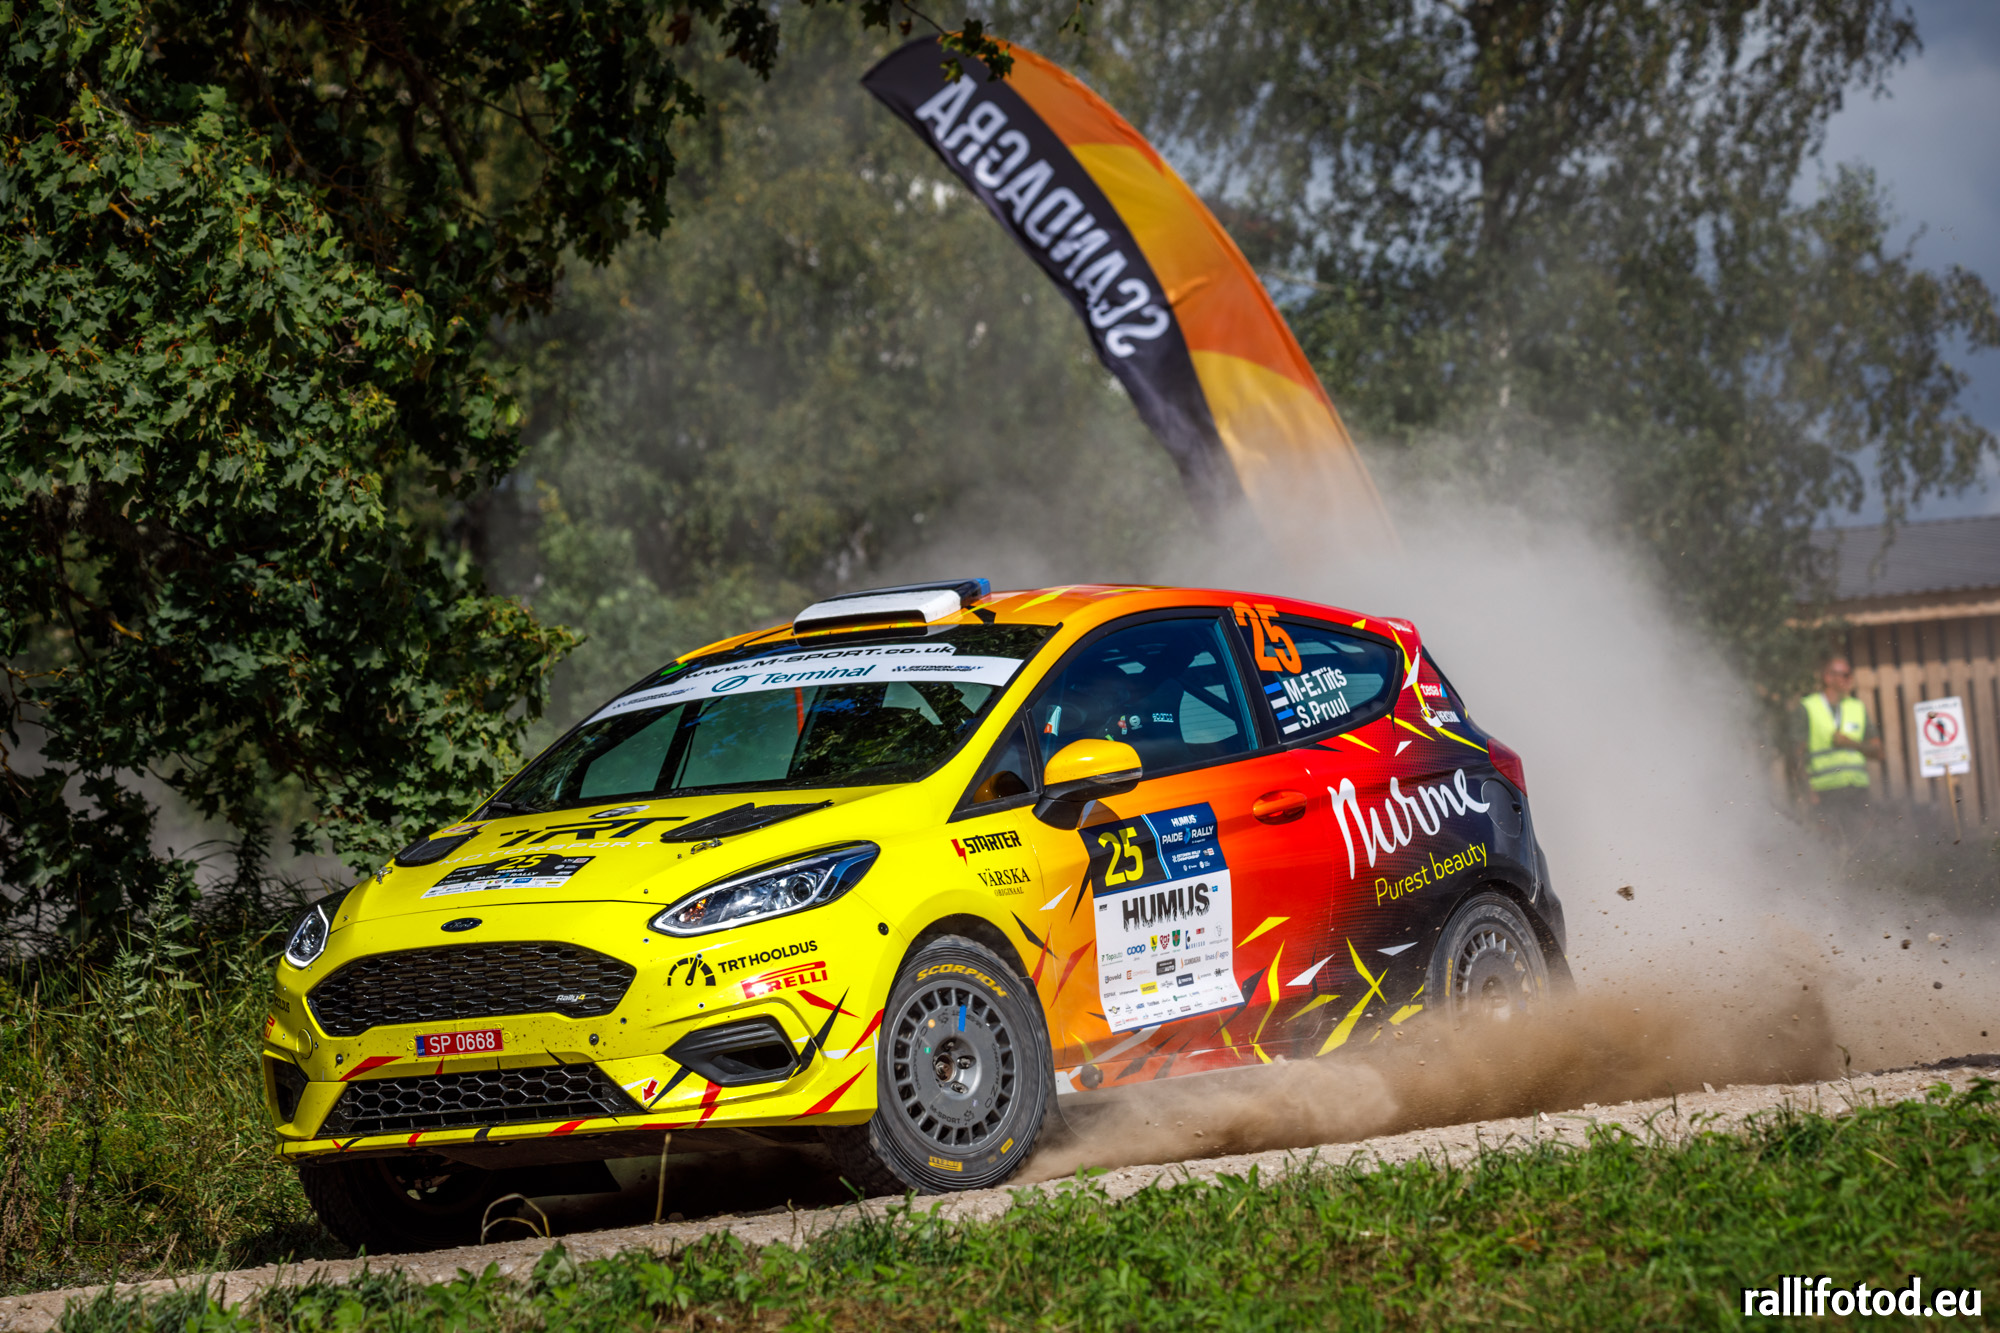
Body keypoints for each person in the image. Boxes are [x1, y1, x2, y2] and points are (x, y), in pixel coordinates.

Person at [1796, 654, 1882, 840]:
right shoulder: (1808, 707)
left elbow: (1878, 752)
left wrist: (1851, 744)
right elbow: (1797, 756)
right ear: (1828, 677)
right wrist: (1809, 792)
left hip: (1857, 791)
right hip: (1825, 792)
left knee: (1862, 845)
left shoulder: (1857, 707)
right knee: (1829, 846)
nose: (1850, 679)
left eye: (1850, 674)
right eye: (1845, 675)